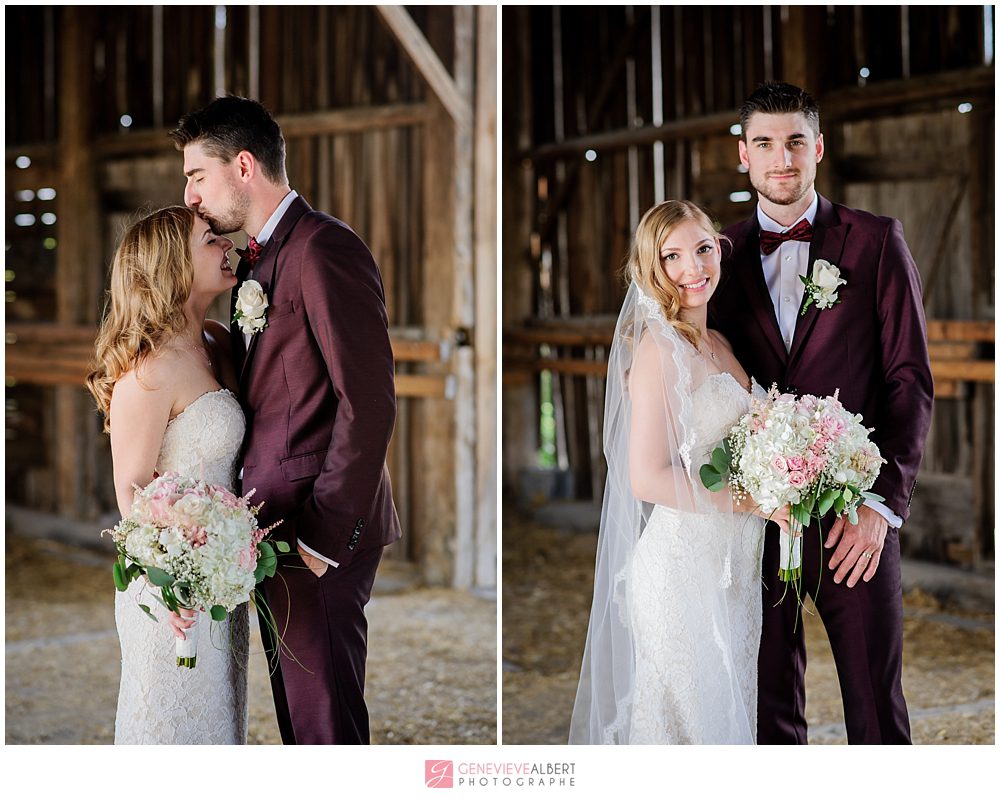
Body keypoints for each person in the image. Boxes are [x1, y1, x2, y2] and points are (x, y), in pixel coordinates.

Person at [169, 96, 401, 745]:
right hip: (273, 531)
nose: (189, 195)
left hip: (316, 530)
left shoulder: (324, 249)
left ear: (243, 166)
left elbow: (369, 401)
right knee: (300, 724)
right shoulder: (259, 260)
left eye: (197, 175)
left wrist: (322, 539)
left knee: (325, 727)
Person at [710, 82, 933, 744]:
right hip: (756, 523)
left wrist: (882, 504)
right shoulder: (714, 257)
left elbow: (909, 380)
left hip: (853, 518)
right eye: (764, 144)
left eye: (795, 142)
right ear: (743, 155)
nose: (782, 160)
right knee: (768, 716)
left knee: (876, 710)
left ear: (819, 148)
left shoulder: (876, 241)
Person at [569, 200, 790, 744]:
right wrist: (756, 501)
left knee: (728, 724)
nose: (693, 267)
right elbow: (646, 477)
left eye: (703, 249)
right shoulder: (659, 352)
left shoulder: (720, 343)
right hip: (682, 574)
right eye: (672, 256)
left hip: (733, 573)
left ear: (720, 250)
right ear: (652, 267)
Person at [87, 206, 248, 744]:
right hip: (173, 589)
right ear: (174, 266)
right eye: (210, 240)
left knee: (221, 722)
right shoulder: (148, 370)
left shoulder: (218, 340)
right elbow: (132, 492)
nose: (226, 245)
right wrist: (173, 582)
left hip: (221, 578)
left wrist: (223, 564)